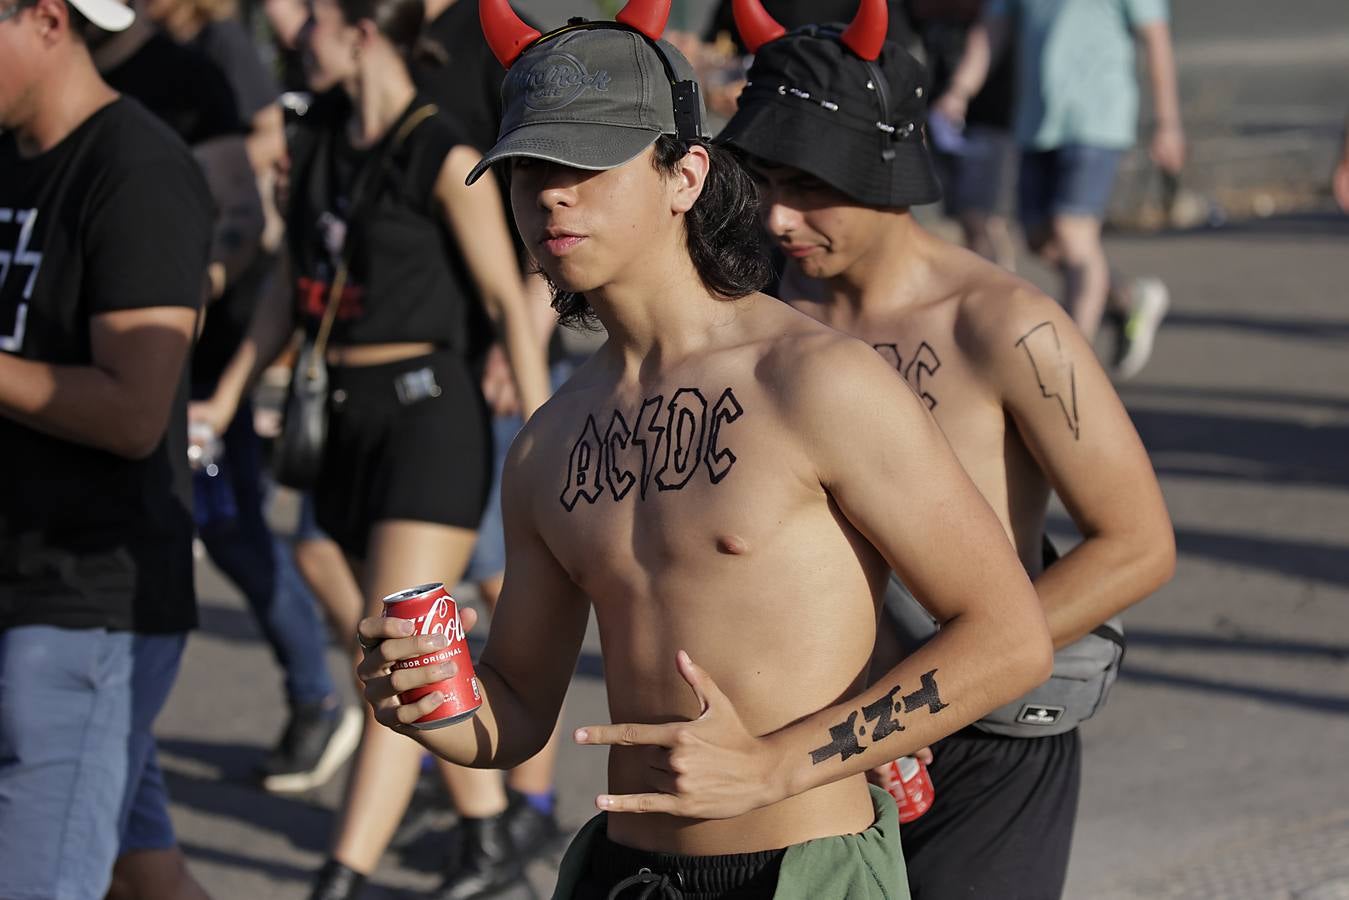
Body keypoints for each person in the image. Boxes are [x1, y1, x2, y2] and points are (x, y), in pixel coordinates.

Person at [356, 2, 1056, 898]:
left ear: (685, 173)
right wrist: (420, 703)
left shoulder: (812, 381)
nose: (550, 195)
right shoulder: (547, 443)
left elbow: (1008, 635)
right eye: (527, 169)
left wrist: (779, 765)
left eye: (586, 164)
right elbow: (519, 712)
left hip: (804, 870)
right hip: (622, 874)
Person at [716, 2, 1176, 896]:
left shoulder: (1004, 326)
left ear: (884, 163)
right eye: (763, 180)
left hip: (983, 745)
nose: (776, 218)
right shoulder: (754, 319)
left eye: (809, 183)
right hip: (808, 739)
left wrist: (932, 696)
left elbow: (1137, 544)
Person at [200, 0, 552, 895]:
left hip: (428, 420)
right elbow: (291, 286)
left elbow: (511, 301)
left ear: (361, 30)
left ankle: (342, 874)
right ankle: (486, 831)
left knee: (400, 646)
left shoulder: (444, 153)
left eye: (312, 18)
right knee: (381, 637)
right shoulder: (318, 143)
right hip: (345, 419)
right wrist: (228, 393)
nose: (294, 35)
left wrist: (541, 429)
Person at [0, 0, 214, 896]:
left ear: (48, 18)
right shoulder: (13, 157)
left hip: (83, 605)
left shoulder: (137, 168)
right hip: (27, 588)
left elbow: (134, 409)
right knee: (144, 874)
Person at [935, 0, 1185, 379]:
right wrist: (959, 91)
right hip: (1036, 122)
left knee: (1072, 233)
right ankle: (1128, 297)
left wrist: (1167, 123)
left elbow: (1156, 36)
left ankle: (1069, 367)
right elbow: (992, 30)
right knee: (1040, 240)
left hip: (1098, 118)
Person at [908, 0, 1019, 269]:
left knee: (980, 218)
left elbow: (991, 37)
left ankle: (998, 290)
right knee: (963, 219)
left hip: (988, 116)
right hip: (940, 115)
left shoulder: (995, 12)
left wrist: (960, 93)